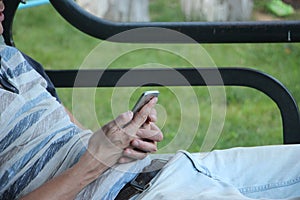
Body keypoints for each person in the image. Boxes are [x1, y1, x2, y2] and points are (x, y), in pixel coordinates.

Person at [1, 1, 300, 199]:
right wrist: (94, 163)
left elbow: (73, 140)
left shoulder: (13, 58)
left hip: (173, 168)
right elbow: (89, 162)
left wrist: (122, 143)